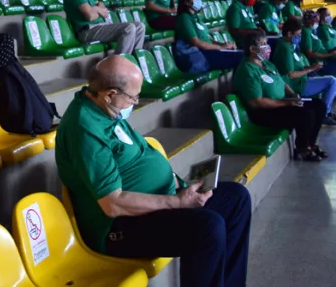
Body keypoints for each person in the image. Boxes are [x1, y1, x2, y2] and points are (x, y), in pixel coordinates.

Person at [56, 55, 252, 287]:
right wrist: (178, 202)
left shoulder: (104, 106)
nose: (136, 102)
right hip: (119, 227)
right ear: (109, 94)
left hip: (157, 203)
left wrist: (180, 186)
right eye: (133, 97)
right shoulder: (85, 128)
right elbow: (112, 204)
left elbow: (140, 155)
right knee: (207, 228)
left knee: (236, 198)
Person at [233, 32, 328, 161]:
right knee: (306, 114)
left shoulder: (267, 64)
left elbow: (281, 82)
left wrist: (292, 95)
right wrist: (288, 103)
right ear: (252, 49)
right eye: (263, 44)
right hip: (263, 112)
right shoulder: (247, 69)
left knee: (319, 105)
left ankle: (311, 143)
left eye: (267, 44)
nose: (268, 47)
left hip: (280, 103)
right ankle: (302, 148)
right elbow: (256, 102)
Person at [271, 19, 336, 126]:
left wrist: (311, 67)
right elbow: (291, 74)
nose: (300, 37)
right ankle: (324, 115)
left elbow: (298, 66)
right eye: (298, 34)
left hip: (302, 79)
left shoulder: (290, 45)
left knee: (331, 81)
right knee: (331, 82)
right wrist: (310, 69)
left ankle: (324, 112)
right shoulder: (285, 48)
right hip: (295, 85)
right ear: (289, 34)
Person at [173, 0, 242, 73]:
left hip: (206, 51)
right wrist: (220, 47)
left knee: (242, 55)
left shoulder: (196, 17)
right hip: (197, 54)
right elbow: (196, 42)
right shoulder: (184, 18)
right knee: (242, 57)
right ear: (186, 2)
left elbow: (207, 38)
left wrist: (224, 45)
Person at [300, 9, 336, 79]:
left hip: (328, 57)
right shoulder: (306, 32)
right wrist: (330, 54)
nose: (317, 22)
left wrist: (333, 51)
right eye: (316, 20)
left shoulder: (312, 30)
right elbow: (309, 53)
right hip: (321, 64)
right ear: (309, 21)